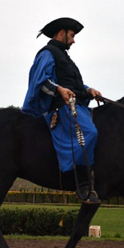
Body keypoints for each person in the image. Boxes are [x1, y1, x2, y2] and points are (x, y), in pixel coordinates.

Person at [22, 17, 101, 204]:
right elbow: (40, 82)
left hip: (79, 105)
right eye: (72, 36)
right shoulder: (47, 54)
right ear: (61, 33)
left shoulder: (65, 57)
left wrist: (88, 90)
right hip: (62, 109)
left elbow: (73, 84)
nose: (74, 40)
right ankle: (82, 185)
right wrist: (59, 90)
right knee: (89, 133)